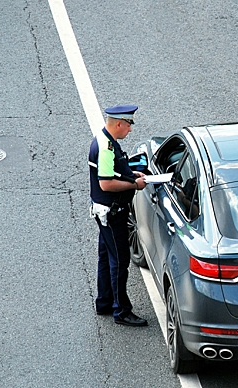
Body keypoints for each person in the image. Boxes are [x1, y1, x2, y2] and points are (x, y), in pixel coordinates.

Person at [88, 104, 148, 326]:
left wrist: (130, 173)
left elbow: (112, 171)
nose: (130, 130)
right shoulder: (106, 147)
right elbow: (106, 183)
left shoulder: (105, 141)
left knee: (105, 258)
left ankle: (104, 302)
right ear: (120, 123)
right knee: (120, 262)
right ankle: (121, 311)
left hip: (105, 213)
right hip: (113, 214)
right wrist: (135, 184)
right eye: (129, 125)